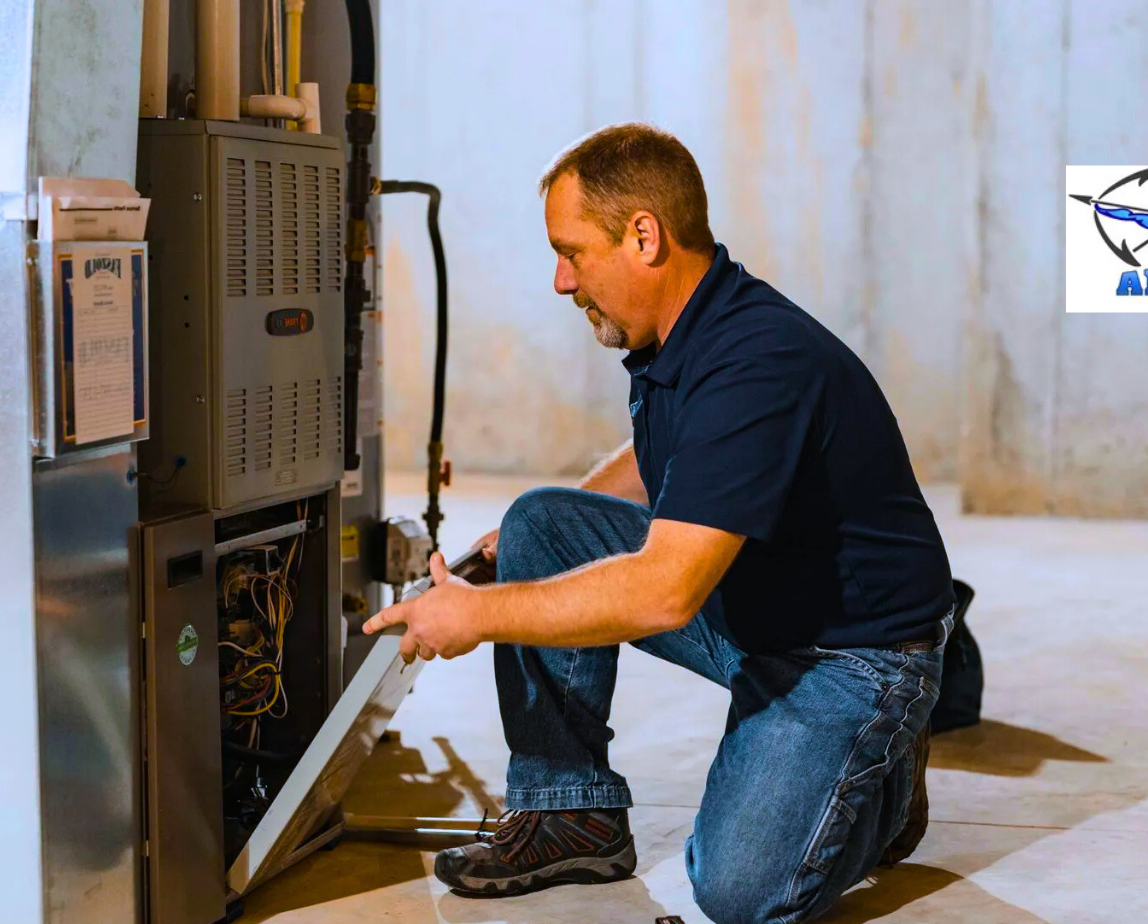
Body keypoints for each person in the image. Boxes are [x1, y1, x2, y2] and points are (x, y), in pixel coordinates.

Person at [364, 123, 955, 924]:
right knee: (538, 523)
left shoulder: (758, 359)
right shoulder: (682, 332)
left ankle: (877, 783)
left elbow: (664, 593)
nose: (561, 281)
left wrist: (475, 614)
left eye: (572, 252)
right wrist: (528, 549)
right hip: (756, 607)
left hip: (853, 656)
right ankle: (570, 814)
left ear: (644, 236)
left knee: (739, 891)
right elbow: (664, 464)